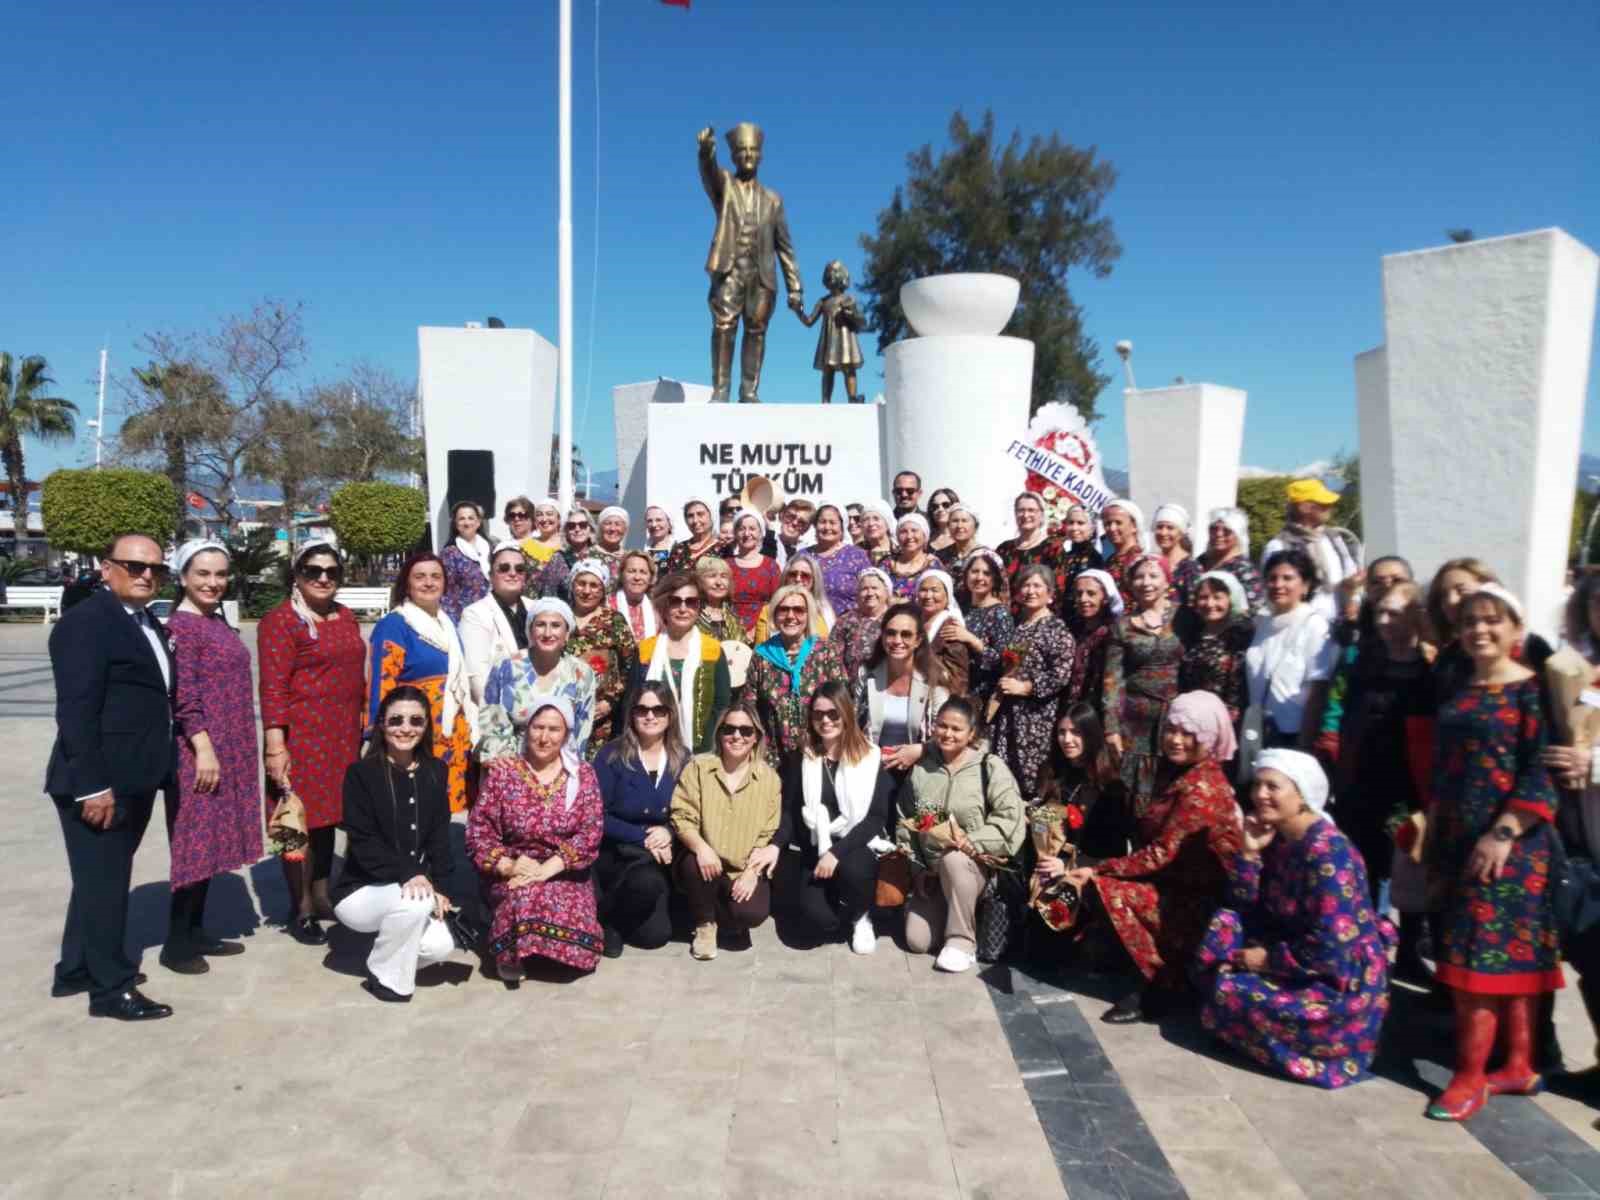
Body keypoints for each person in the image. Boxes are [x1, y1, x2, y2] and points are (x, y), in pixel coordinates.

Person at [1426, 584, 1562, 1122]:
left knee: (1480, 961)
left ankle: (1471, 1076)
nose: (1479, 630)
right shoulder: (1461, 685)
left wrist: (1503, 833)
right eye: (1469, 622)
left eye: (1491, 620)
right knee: (1493, 954)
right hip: (1460, 838)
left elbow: (1542, 768)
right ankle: (1519, 1065)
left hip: (1513, 848)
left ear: (1515, 628)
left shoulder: (1533, 690)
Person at [1193, 750, 1394, 1087]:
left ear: (1301, 794)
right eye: (1257, 785)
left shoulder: (1329, 853)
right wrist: (1249, 852)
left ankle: (1319, 1047)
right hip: (1293, 951)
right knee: (1224, 925)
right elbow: (1243, 903)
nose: (1260, 795)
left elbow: (1331, 947)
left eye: (1274, 786)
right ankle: (1231, 1020)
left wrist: (1266, 960)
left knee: (1230, 991)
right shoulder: (1279, 836)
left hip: (1336, 981)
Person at [44, 532, 177, 1020]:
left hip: (137, 775)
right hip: (99, 782)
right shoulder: (87, 624)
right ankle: (111, 989)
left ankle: (77, 969)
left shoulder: (144, 621)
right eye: (134, 566)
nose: (146, 575)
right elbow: (76, 714)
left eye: (155, 569)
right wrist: (93, 786)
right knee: (105, 884)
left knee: (96, 881)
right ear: (106, 568)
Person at [1065, 691, 1244, 1022]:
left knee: (1107, 888)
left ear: (1208, 737)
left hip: (1194, 901)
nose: (1176, 740)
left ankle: (1158, 982)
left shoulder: (1203, 788)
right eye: (1171, 730)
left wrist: (1097, 870)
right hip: (1172, 883)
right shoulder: (1181, 773)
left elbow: (1161, 853)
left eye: (1188, 733)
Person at [258, 539, 368, 945]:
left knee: (326, 821)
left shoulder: (344, 616)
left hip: (341, 738)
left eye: (331, 572)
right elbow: (272, 688)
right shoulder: (280, 621)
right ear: (297, 574)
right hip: (299, 739)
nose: (323, 578)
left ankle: (322, 895)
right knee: (295, 824)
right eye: (313, 571)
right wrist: (275, 745)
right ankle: (299, 907)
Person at [161, 540, 260, 974]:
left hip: (230, 745)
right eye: (202, 574)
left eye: (220, 574)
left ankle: (196, 930)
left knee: (212, 841)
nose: (213, 582)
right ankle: (176, 942)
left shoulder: (213, 619)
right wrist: (203, 748)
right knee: (194, 844)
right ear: (183, 576)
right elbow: (184, 695)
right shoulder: (182, 626)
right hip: (202, 750)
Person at [1324, 581, 1434, 968]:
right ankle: (1365, 949)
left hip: (1409, 786)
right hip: (1362, 781)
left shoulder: (1431, 669)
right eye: (1380, 612)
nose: (1384, 620)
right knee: (1364, 867)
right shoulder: (1363, 664)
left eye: (1395, 613)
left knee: (1409, 868)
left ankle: (1409, 951)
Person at [332, 686, 459, 1003]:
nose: (406, 728)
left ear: (426, 725)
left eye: (416, 720)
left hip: (411, 890)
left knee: (441, 947)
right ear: (382, 725)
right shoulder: (361, 773)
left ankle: (387, 960)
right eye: (397, 720)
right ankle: (387, 979)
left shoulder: (435, 770)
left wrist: (441, 887)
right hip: (361, 892)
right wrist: (410, 873)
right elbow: (362, 842)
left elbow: (439, 837)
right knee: (416, 900)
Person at [467, 696, 605, 985]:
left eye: (554, 729)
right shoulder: (503, 774)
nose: (544, 737)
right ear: (525, 730)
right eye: (537, 727)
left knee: (570, 919)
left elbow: (590, 832)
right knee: (524, 898)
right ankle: (514, 954)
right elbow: (479, 832)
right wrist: (510, 866)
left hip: (563, 871)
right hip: (513, 870)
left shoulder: (582, 775)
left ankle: (546, 952)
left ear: (566, 734)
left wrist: (545, 871)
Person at [895, 698, 1026, 972]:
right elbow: (905, 819)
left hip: (973, 865)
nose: (948, 734)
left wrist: (972, 841)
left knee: (953, 859)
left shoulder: (989, 767)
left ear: (971, 734)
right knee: (917, 941)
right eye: (942, 726)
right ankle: (956, 911)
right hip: (933, 870)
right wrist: (917, 869)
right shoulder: (922, 770)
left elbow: (1010, 819)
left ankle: (961, 941)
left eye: (957, 729)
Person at [776, 682, 896, 951]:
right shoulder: (802, 756)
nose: (826, 720)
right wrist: (775, 845)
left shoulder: (869, 757)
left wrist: (835, 854)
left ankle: (861, 916)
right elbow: (789, 808)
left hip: (855, 845)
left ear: (846, 714)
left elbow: (875, 818)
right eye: (818, 714)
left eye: (833, 713)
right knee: (820, 923)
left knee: (854, 869)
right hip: (814, 844)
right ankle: (836, 899)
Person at [697, 121, 804, 404]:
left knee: (756, 331)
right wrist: (706, 150)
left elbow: (785, 247)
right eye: (742, 151)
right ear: (733, 156)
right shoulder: (725, 187)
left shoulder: (773, 200)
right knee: (724, 327)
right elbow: (708, 174)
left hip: (762, 277)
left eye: (752, 151)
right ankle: (721, 390)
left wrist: (796, 287)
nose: (747, 155)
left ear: (760, 156)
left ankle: (749, 391)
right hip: (730, 271)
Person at [672, 703, 784, 958]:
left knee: (750, 914)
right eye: (729, 729)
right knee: (692, 863)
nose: (737, 736)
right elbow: (682, 815)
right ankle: (705, 923)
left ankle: (720, 912)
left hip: (741, 867)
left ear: (756, 737)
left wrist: (752, 873)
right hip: (705, 863)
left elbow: (767, 833)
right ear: (719, 733)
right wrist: (701, 848)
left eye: (746, 731)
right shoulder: (699, 767)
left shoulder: (769, 780)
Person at [369, 553, 477, 812]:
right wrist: (385, 735)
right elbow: (382, 685)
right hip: (415, 734)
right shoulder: (395, 625)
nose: (428, 583)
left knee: (440, 812)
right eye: (420, 577)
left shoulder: (447, 624)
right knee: (412, 809)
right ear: (407, 584)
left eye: (435, 576)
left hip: (451, 732)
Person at [593, 683, 691, 956]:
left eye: (658, 709)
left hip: (664, 855)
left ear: (670, 714)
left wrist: (670, 831)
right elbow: (596, 815)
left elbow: (693, 810)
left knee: (655, 936)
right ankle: (607, 920)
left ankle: (631, 917)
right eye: (642, 710)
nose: (650, 716)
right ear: (631, 714)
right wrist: (644, 837)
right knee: (647, 883)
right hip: (618, 854)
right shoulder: (610, 755)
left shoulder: (683, 758)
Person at [1103, 556, 1186, 802]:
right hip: (1135, 724)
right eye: (1139, 576)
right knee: (1137, 796)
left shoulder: (1184, 617)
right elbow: (1112, 681)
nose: (1145, 582)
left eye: (1153, 576)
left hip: (1177, 720)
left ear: (1166, 581)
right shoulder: (1123, 626)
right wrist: (1111, 729)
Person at [991, 565, 1075, 799]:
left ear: (1050, 593)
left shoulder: (1055, 628)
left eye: (1037, 585)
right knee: (1005, 780)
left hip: (1037, 718)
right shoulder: (1019, 627)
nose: (1030, 591)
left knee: (1032, 781)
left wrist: (1026, 687)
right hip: (1009, 715)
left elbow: (1061, 673)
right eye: (1025, 585)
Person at [478, 597, 597, 761]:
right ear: (530, 630)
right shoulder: (506, 667)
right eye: (540, 625)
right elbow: (491, 722)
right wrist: (509, 769)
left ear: (567, 633)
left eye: (556, 625)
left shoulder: (582, 673)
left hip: (560, 767)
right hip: (510, 765)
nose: (548, 633)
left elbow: (580, 732)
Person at [746, 585, 849, 764]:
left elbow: (843, 701)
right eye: (783, 610)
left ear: (808, 615)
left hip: (820, 752)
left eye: (799, 610)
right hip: (774, 757)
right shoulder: (761, 656)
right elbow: (750, 706)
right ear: (774, 614)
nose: (791, 616)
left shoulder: (825, 651)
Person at [1245, 549, 1336, 751]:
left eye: (1287, 578)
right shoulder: (1262, 623)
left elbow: (1318, 689)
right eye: (1272, 578)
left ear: (1305, 585)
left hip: (1292, 734)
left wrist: (1304, 745)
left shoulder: (1314, 625)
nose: (1278, 585)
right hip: (1258, 730)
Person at [634, 574, 734, 753]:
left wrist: (708, 746)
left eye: (690, 602)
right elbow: (632, 702)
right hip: (650, 749)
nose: (683, 608)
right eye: (675, 601)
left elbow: (722, 705)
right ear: (665, 605)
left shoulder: (712, 650)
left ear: (699, 606)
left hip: (701, 752)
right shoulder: (645, 650)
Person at [853, 604, 950, 777]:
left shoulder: (935, 678)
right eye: (891, 633)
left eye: (906, 634)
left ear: (918, 640)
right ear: (882, 637)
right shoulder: (867, 673)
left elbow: (946, 731)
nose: (897, 641)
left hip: (923, 766)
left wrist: (921, 750)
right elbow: (853, 721)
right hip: (873, 765)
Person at [567, 558, 640, 753]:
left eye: (594, 585)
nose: (587, 591)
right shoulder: (561, 618)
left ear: (603, 590)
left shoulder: (613, 620)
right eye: (581, 584)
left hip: (602, 719)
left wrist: (610, 700)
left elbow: (630, 664)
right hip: (563, 715)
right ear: (572, 585)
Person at [1260, 479, 1361, 621]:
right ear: (1305, 508)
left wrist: (1353, 596)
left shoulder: (1334, 539)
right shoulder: (1279, 546)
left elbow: (1350, 572)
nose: (1330, 507)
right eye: (1324, 504)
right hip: (1300, 626)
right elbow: (1272, 592)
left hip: (1339, 625)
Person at [459, 543, 530, 704]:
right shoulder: (475, 614)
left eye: (519, 569)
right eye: (504, 568)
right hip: (498, 710)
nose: (513, 573)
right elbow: (477, 677)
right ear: (491, 575)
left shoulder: (536, 608)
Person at [1179, 571, 1253, 726]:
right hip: (1192, 718)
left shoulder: (1240, 634)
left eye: (1217, 597)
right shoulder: (1193, 633)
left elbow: (1237, 688)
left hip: (1225, 722)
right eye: (1203, 597)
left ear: (1230, 599)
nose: (1210, 604)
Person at [795, 259, 866, 402]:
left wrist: (851, 314)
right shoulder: (823, 302)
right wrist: (798, 311)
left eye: (834, 272)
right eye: (829, 272)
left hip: (846, 339)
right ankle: (825, 400)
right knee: (828, 370)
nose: (831, 275)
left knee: (849, 367)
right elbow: (809, 321)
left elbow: (862, 322)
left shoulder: (849, 299)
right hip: (828, 340)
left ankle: (852, 397)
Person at [955, 550, 1014, 712]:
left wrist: (973, 641)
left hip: (983, 694)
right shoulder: (961, 609)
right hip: (958, 687)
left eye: (986, 573)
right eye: (975, 571)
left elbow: (1004, 662)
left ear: (994, 579)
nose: (979, 577)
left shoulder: (1000, 613)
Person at [1067, 569, 1122, 711]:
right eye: (1079, 594)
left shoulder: (1113, 631)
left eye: (1091, 594)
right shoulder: (1072, 628)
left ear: (1104, 597)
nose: (1083, 599)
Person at [997, 493, 1066, 604]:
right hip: (1005, 615)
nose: (1025, 515)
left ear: (1041, 515)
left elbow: (1057, 590)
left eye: (1031, 510)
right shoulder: (1004, 549)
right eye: (1021, 510)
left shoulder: (1053, 548)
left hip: (1038, 615)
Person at [752, 553, 835, 642]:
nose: (798, 579)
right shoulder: (769, 611)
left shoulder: (825, 612)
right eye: (793, 574)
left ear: (814, 581)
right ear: (785, 577)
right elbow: (761, 649)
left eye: (805, 575)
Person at [810, 502, 874, 618]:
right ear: (815, 525)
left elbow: (870, 590)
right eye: (822, 522)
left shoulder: (857, 556)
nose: (827, 527)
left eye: (832, 523)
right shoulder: (803, 556)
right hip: (809, 627)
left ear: (842, 526)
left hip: (847, 626)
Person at [1198, 507, 1266, 616]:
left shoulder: (1244, 569)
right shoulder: (1200, 561)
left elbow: (1256, 609)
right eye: (1214, 529)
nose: (1219, 534)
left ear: (1238, 534)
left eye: (1227, 531)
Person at [916, 568, 971, 698]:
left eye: (935, 590)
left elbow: (958, 676)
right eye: (923, 590)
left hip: (939, 697)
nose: (928, 596)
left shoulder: (951, 627)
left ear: (947, 596)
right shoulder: (913, 622)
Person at [830, 567, 891, 678]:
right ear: (857, 595)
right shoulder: (845, 621)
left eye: (875, 588)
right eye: (864, 589)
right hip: (850, 687)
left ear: (886, 592)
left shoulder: (895, 617)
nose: (870, 593)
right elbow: (833, 656)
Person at [439, 500, 491, 623]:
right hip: (465, 618)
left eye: (470, 518)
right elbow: (446, 594)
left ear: (478, 522)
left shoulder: (490, 548)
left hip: (491, 615)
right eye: (461, 519)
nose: (467, 522)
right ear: (456, 524)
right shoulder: (450, 553)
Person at [536, 508, 599, 600]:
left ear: (591, 530)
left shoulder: (600, 559)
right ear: (566, 532)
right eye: (571, 526)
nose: (577, 529)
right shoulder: (557, 559)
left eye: (583, 525)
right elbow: (548, 595)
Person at [1152, 503, 1202, 607]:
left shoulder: (1190, 567)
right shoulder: (1152, 562)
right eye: (1159, 527)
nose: (1163, 532)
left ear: (1181, 532)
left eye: (1170, 528)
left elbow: (1195, 606)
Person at [881, 513, 938, 602]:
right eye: (903, 532)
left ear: (924, 536)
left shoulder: (932, 564)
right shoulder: (887, 563)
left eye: (914, 530)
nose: (909, 536)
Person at [694, 554, 748, 644]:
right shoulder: (693, 614)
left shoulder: (733, 617)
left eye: (723, 576)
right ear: (699, 581)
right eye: (712, 576)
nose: (719, 582)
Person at [610, 549, 659, 642]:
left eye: (643, 572)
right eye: (631, 571)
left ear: (650, 578)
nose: (637, 577)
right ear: (621, 574)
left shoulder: (658, 610)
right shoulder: (607, 606)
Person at [1101, 499, 1147, 597]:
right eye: (1108, 524)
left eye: (1118, 523)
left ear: (1134, 526)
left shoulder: (1139, 561)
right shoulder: (1110, 560)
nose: (1112, 528)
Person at [1058, 504, 1105, 594]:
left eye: (1080, 523)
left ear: (1092, 527)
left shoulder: (1095, 559)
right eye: (1071, 523)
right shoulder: (1064, 555)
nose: (1074, 528)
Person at [666, 498, 721, 574]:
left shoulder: (723, 548)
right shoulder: (679, 548)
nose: (695, 520)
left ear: (711, 516)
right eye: (690, 516)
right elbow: (670, 578)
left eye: (700, 514)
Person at [767, 498, 817, 568]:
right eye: (790, 516)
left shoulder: (809, 554)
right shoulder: (764, 543)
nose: (794, 523)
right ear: (782, 516)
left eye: (801, 522)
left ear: (806, 529)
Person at [938, 501, 984, 571]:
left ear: (975, 526)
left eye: (964, 521)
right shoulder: (941, 556)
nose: (959, 526)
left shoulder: (986, 555)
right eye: (955, 521)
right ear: (948, 525)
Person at [524, 499, 565, 571]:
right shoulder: (527, 546)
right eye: (539, 515)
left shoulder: (566, 545)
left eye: (549, 514)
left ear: (558, 518)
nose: (544, 519)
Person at [926, 488, 961, 561]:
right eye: (935, 507)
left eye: (946, 505)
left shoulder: (962, 538)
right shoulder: (925, 538)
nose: (940, 509)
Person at [594, 506, 630, 576]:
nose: (612, 529)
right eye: (608, 523)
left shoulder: (630, 558)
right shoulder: (586, 555)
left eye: (618, 524)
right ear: (600, 528)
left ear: (625, 529)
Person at [643, 505, 676, 570]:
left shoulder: (678, 548)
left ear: (669, 523)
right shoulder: (641, 548)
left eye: (659, 520)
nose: (654, 525)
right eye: (650, 521)